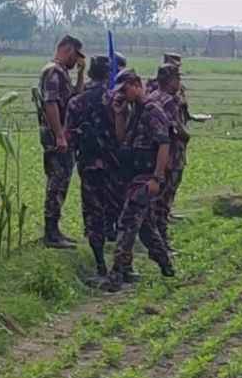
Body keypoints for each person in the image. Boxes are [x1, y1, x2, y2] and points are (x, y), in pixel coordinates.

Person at [103, 68, 175, 292]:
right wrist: (118, 114)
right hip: (134, 176)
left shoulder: (153, 110)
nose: (123, 95)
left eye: (125, 90)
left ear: (136, 85)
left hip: (146, 177)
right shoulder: (135, 110)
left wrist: (157, 177)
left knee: (126, 223)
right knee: (144, 227)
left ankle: (116, 274)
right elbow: (123, 138)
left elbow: (164, 144)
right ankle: (166, 266)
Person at [66, 55, 121, 276]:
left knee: (93, 214)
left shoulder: (76, 102)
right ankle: (124, 266)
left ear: (89, 73)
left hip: (88, 166)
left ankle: (100, 264)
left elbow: (69, 136)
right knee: (118, 213)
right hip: (114, 165)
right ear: (109, 74)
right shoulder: (115, 100)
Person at [37, 35, 84, 249]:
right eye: (76, 55)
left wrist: (82, 73)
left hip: (63, 135)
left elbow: (75, 98)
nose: (77, 61)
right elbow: (51, 104)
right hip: (56, 136)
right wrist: (59, 134)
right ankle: (51, 233)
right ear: (67, 50)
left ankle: (55, 230)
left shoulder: (62, 72)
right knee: (57, 181)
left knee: (62, 181)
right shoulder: (53, 71)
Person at [145, 64, 185, 253]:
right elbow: (173, 130)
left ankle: (155, 240)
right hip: (170, 157)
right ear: (171, 81)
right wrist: (186, 134)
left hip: (154, 157)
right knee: (163, 202)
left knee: (155, 202)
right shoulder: (169, 101)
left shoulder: (151, 97)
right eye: (177, 78)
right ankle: (161, 243)